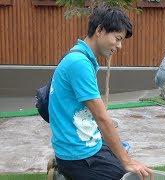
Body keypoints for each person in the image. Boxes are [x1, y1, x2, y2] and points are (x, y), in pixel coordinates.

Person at [48, 6, 153, 180]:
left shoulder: (80, 56)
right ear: (100, 30)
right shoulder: (79, 63)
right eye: (117, 38)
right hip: (77, 155)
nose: (119, 46)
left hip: (84, 145)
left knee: (123, 155)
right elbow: (102, 118)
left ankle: (62, 171)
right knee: (127, 174)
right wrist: (126, 162)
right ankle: (63, 174)